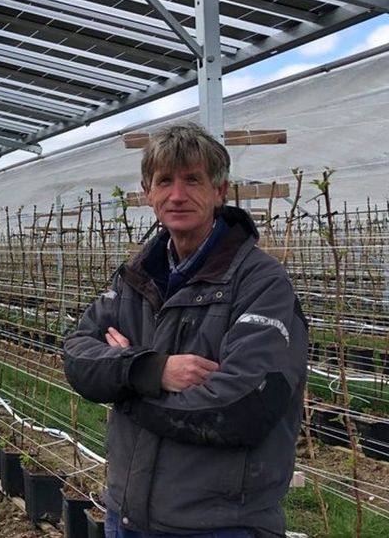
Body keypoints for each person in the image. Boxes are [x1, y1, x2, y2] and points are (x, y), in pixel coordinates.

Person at [63, 123, 308, 538]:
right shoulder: (135, 279)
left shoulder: (261, 284)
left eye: (192, 179)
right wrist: (150, 370)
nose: (177, 195)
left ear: (220, 191)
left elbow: (242, 408)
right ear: (147, 194)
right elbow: (77, 355)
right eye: (164, 182)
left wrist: (128, 397)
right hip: (125, 515)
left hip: (217, 524)